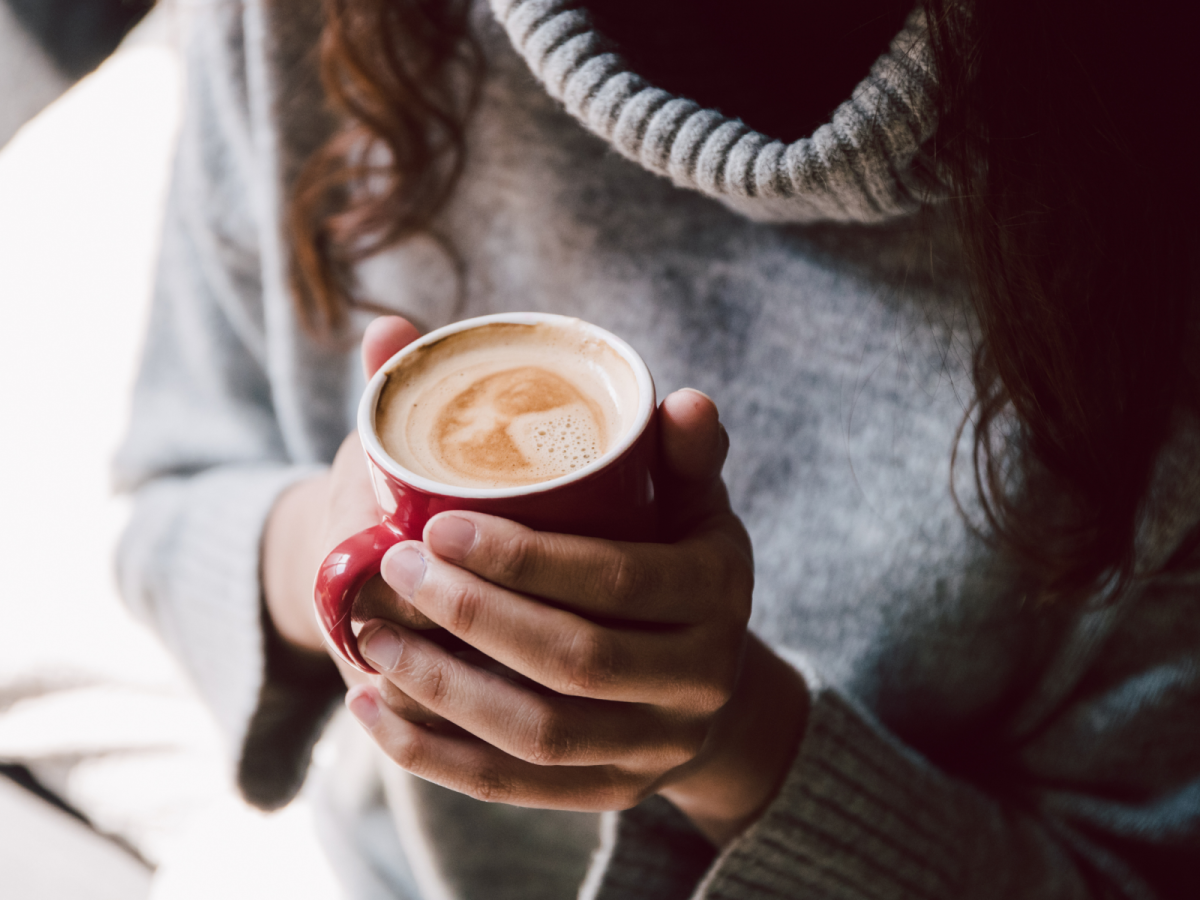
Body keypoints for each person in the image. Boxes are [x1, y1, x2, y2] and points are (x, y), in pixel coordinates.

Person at [115, 0, 1198, 897]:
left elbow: (1131, 869)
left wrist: (740, 743)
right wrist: (336, 543)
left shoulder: (1153, 180)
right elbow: (165, 504)